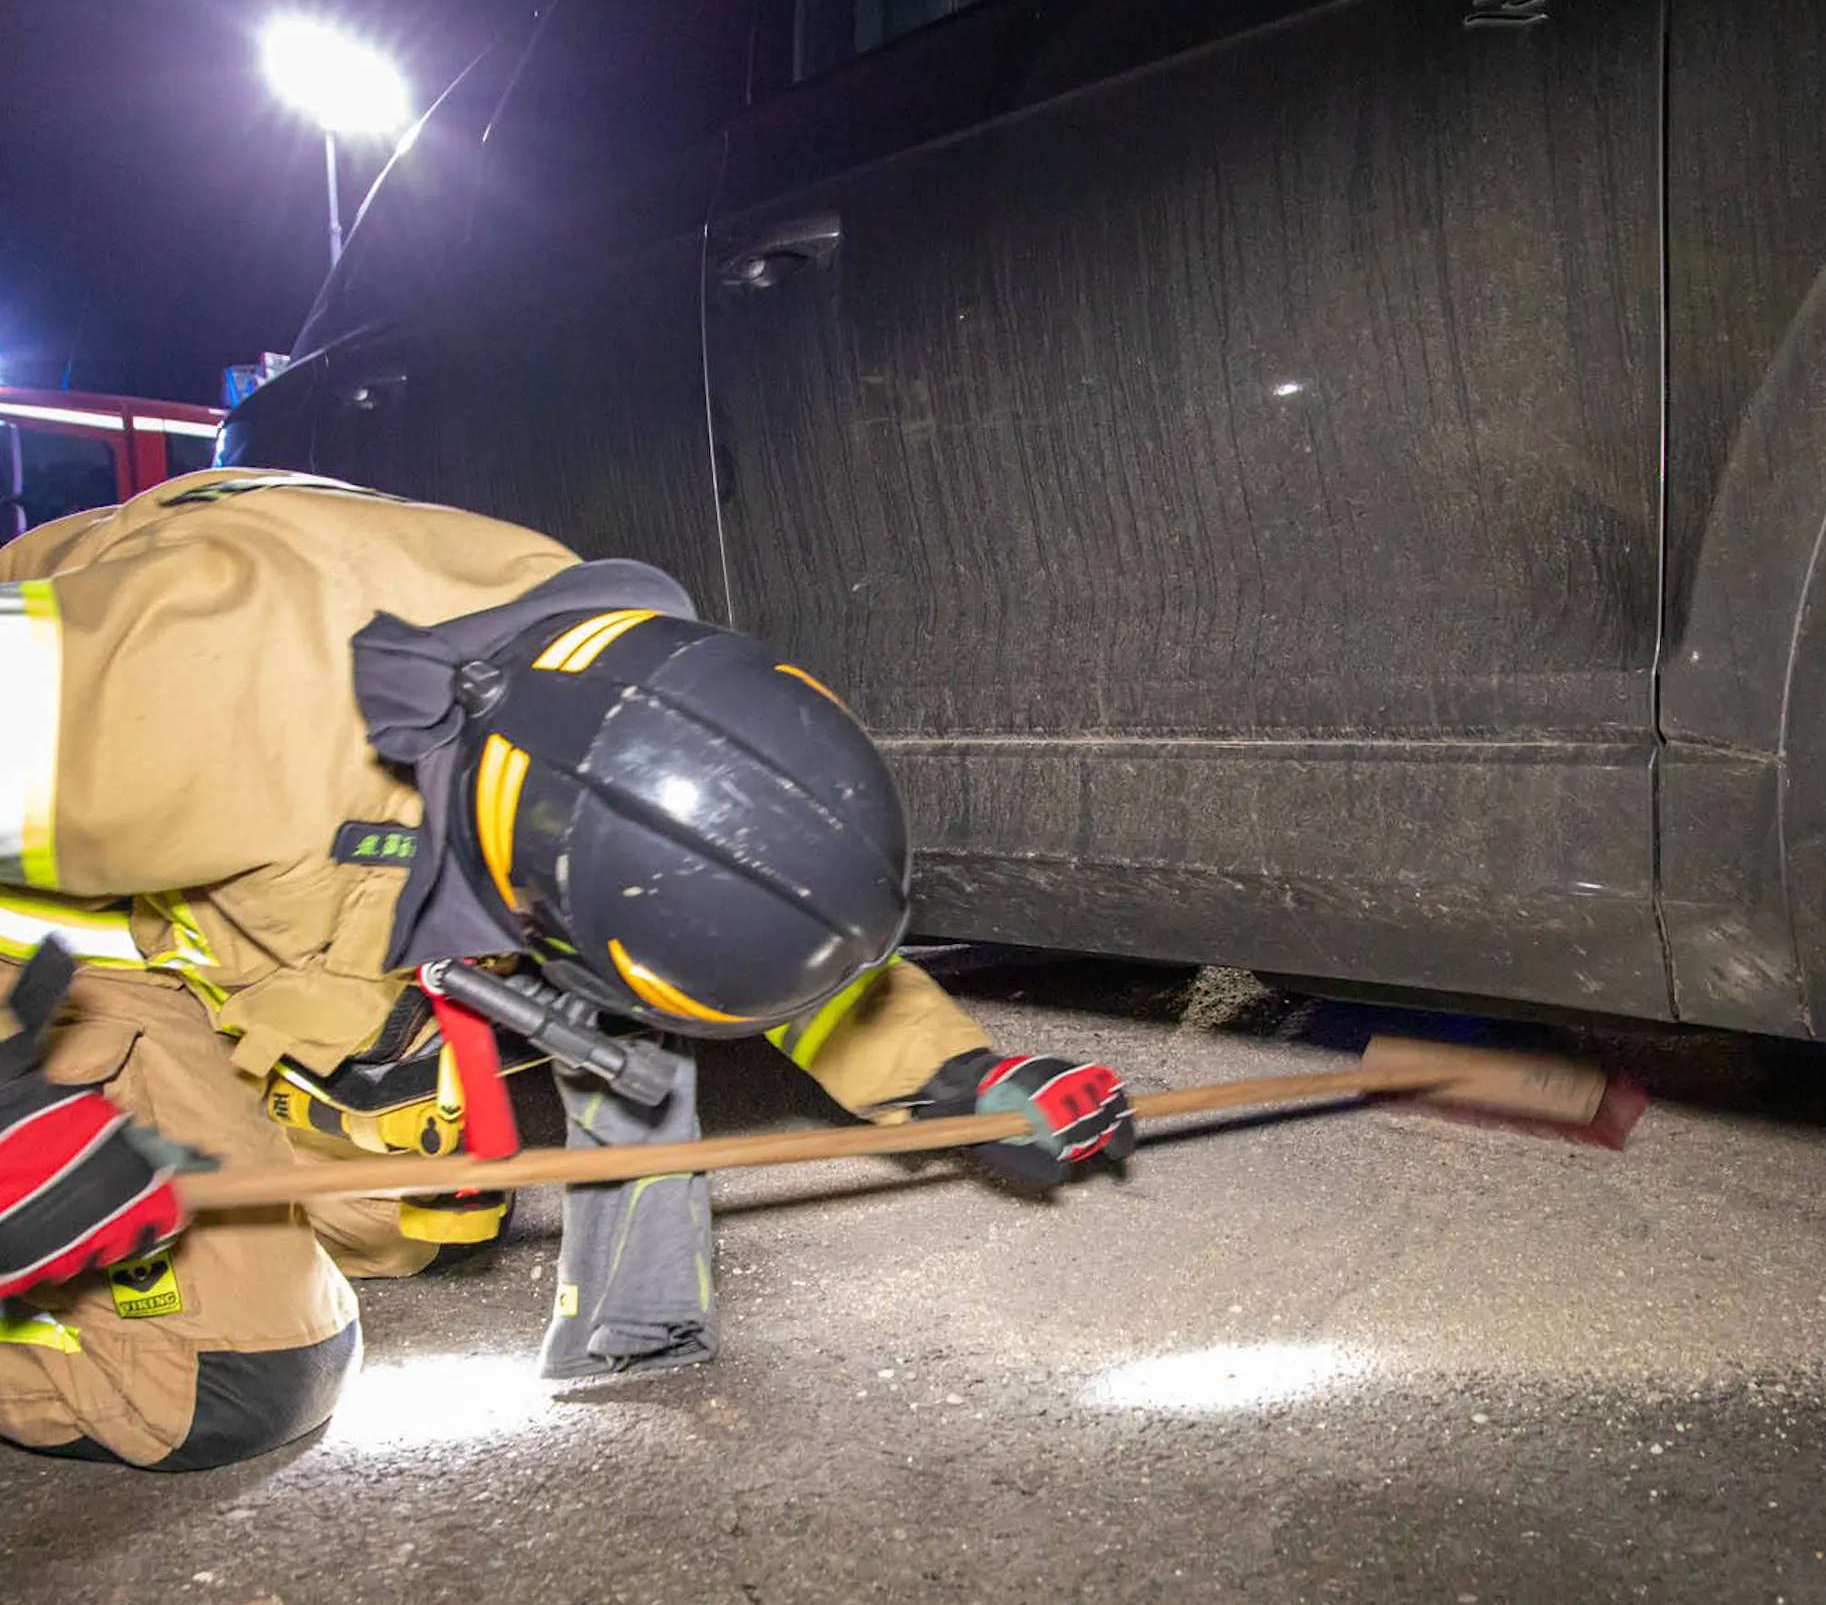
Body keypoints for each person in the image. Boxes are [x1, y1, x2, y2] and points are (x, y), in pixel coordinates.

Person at [0, 470, 1133, 1470]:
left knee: (422, 1215)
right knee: (240, 1379)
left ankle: (219, 1138)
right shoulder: (180, 692)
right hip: (55, 967)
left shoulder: (606, 686)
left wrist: (957, 1080)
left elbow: (709, 901)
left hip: (215, 901)